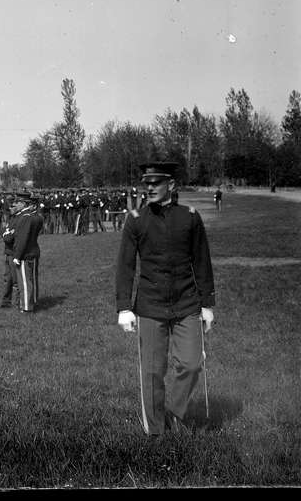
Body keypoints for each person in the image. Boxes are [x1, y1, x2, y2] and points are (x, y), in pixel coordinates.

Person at [115, 161, 216, 436]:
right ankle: (156, 431)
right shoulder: (136, 219)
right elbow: (125, 266)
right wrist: (124, 307)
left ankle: (173, 412)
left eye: (155, 183)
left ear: (171, 185)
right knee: (152, 372)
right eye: (146, 184)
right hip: (150, 305)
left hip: (186, 303)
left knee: (192, 363)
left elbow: (202, 262)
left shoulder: (190, 217)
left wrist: (207, 304)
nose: (149, 188)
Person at [10, 191, 45, 313]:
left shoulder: (25, 218)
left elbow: (22, 239)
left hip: (25, 253)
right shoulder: (36, 217)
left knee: (25, 282)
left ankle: (26, 307)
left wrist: (17, 255)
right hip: (34, 251)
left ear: (24, 204)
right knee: (32, 280)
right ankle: (33, 301)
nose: (16, 204)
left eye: (18, 202)